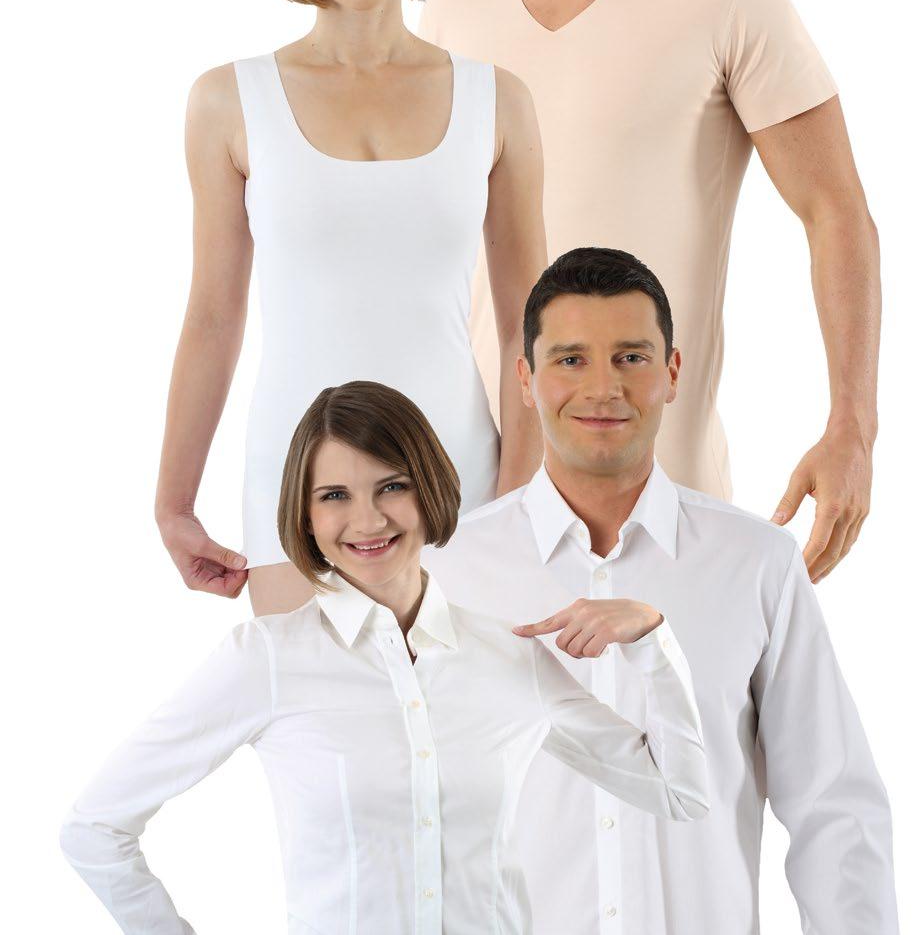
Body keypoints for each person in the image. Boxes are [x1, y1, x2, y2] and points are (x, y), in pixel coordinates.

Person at [419, 0, 881, 582]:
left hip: (668, 501)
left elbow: (836, 212)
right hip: (483, 498)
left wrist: (850, 426)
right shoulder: (454, 4)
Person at [61, 381, 709, 935]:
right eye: (334, 495)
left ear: (430, 490)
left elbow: (680, 793)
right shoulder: (266, 659)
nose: (367, 519)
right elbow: (94, 828)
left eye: (391, 486)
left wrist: (650, 637)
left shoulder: (509, 656)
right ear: (304, 515)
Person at [423, 247, 899, 934]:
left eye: (630, 357)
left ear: (672, 372)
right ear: (524, 379)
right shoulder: (449, 571)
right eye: (570, 359)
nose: (602, 388)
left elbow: (834, 807)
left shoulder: (756, 565)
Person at [154, 0, 547, 616]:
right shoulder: (228, 101)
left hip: (459, 476)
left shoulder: (497, 100)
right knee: (311, 698)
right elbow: (213, 314)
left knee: (471, 694)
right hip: (296, 479)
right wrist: (174, 501)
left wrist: (518, 496)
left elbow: (526, 326)